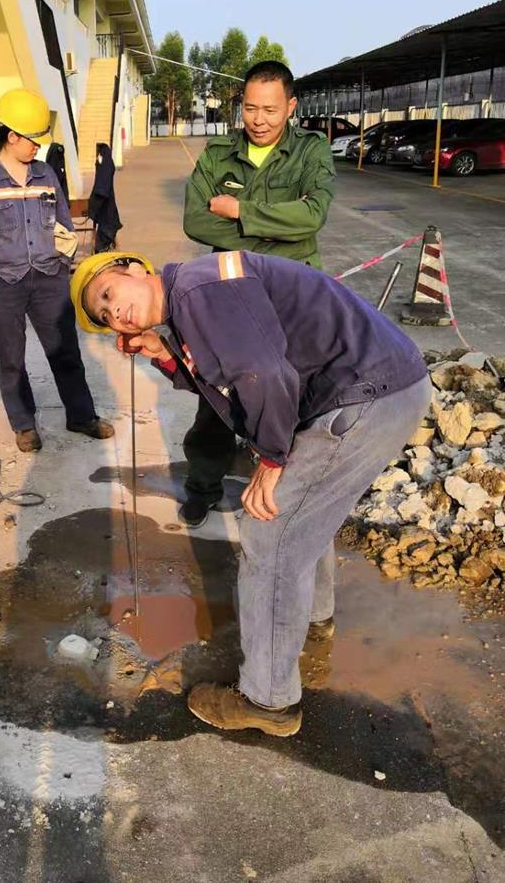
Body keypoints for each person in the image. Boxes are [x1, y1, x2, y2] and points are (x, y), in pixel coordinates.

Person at [71, 250, 430, 737]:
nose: (117, 314)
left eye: (110, 294)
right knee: (305, 514)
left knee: (269, 533)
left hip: (364, 396)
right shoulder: (189, 300)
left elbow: (263, 374)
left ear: (135, 268)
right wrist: (164, 354)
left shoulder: (198, 288)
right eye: (106, 315)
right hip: (385, 385)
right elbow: (224, 376)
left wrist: (271, 459)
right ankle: (315, 621)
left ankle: (269, 701)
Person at [181, 60, 336, 530]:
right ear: (240, 106)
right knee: (217, 393)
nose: (260, 120)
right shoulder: (218, 154)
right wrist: (275, 233)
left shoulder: (312, 151)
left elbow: (313, 216)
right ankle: (202, 486)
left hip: (295, 296)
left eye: (270, 109)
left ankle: (283, 490)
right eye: (250, 108)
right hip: (229, 294)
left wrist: (241, 212)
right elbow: (196, 221)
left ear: (290, 106)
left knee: (297, 392)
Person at [0, 88, 113, 453]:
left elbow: (62, 220)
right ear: (11, 135)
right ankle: (24, 424)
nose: (38, 147)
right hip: (2, 283)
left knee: (66, 352)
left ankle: (81, 416)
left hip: (49, 278)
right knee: (10, 359)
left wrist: (63, 263)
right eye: (32, 140)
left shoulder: (45, 173)